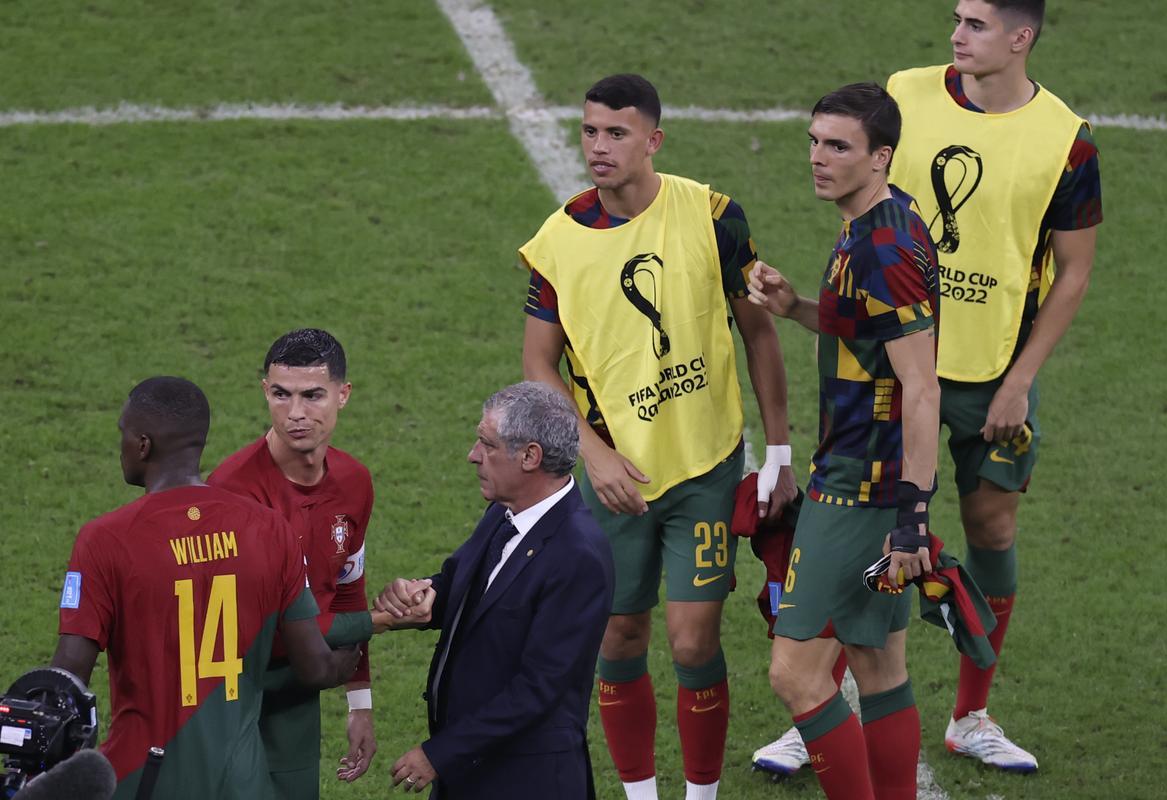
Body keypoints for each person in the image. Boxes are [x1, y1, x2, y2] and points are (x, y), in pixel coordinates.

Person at [520, 73, 797, 800]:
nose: (599, 147)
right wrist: (594, 453)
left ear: (654, 140)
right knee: (619, 638)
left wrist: (778, 453)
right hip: (615, 479)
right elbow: (536, 363)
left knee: (692, 640)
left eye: (616, 133)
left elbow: (759, 332)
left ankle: (699, 796)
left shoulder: (711, 215)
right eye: (589, 131)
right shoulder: (557, 243)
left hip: (706, 466)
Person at [885, 0, 1102, 771]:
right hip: (895, 360)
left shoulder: (1065, 143)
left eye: (976, 23)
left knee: (993, 532)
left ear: (1021, 37)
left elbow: (1073, 273)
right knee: (868, 533)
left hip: (993, 376)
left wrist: (1021, 381)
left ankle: (970, 714)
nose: (957, 34)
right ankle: (828, 698)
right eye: (956, 19)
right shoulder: (904, 95)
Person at [750, 83, 941, 800]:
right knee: (877, 663)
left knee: (795, 674)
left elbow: (922, 388)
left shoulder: (883, 248)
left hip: (861, 487)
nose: (817, 158)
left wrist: (910, 519)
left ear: (880, 156)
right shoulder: (878, 222)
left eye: (838, 146)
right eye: (813, 141)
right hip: (874, 476)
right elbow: (872, 336)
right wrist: (797, 306)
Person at [52, 377, 361, 799]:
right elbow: (315, 667)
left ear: (143, 445)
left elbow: (66, 682)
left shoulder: (104, 540)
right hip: (243, 784)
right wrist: (356, 645)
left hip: (145, 780)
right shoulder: (270, 529)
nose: (120, 444)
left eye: (123, 432)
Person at [377, 381, 614, 798]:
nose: (473, 455)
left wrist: (440, 753)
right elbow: (464, 584)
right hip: (472, 768)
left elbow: (536, 688)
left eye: (486, 444)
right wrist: (423, 597)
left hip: (525, 781)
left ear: (530, 456)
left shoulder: (579, 556)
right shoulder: (505, 512)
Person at [208, 328, 378, 797]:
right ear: (265, 390)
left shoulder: (355, 483)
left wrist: (359, 703)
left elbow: (348, 587)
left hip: (299, 692)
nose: (296, 414)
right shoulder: (232, 494)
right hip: (230, 694)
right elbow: (266, 628)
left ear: (343, 395)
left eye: (313, 396)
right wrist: (381, 622)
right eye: (281, 395)